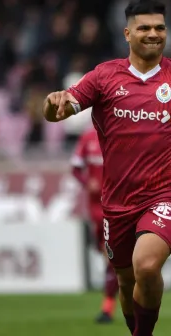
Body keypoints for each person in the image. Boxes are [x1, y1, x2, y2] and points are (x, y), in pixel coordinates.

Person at [43, 0, 171, 336]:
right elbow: (60, 112)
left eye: (160, 28)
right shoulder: (104, 77)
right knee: (126, 281)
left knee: (147, 265)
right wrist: (52, 105)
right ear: (127, 33)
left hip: (166, 193)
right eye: (145, 28)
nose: (153, 33)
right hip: (118, 201)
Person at [70, 126, 119, 324]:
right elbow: (75, 168)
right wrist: (86, 181)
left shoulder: (120, 134)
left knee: (112, 256)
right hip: (95, 209)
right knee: (108, 256)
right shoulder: (87, 138)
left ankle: (107, 308)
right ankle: (117, 298)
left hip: (117, 205)